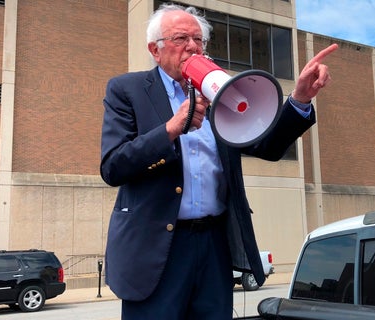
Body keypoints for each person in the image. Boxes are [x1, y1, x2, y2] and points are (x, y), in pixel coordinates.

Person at [100, 3, 338, 319]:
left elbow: (267, 145)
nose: (192, 47)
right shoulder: (127, 90)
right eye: (180, 38)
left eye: (199, 40)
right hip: (157, 248)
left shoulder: (219, 92)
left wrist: (300, 99)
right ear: (155, 50)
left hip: (214, 244)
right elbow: (113, 165)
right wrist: (172, 128)